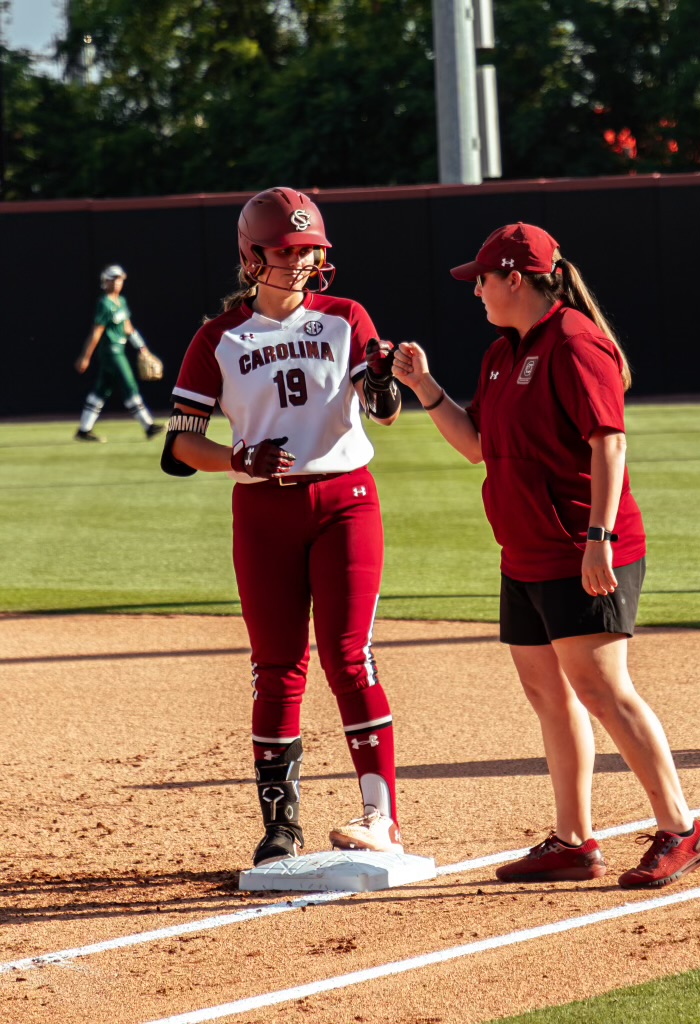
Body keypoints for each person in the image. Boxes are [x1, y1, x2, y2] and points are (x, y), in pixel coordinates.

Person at [392, 222, 700, 889]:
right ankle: (572, 840)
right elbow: (477, 445)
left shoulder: (573, 343)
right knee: (547, 692)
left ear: (515, 278)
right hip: (526, 551)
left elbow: (610, 444)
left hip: (583, 549)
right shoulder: (500, 354)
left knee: (601, 687)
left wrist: (598, 538)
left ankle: (682, 829)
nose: (474, 289)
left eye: (480, 278)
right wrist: (425, 388)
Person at [161, 186, 405, 866]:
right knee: (275, 668)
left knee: (348, 656)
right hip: (263, 509)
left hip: (345, 498)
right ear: (251, 255)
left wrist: (383, 378)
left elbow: (382, 409)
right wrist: (237, 458)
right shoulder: (220, 337)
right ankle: (280, 825)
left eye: (308, 250)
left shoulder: (345, 316)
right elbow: (179, 445)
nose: (299, 261)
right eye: (286, 250)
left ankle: (380, 815)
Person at [74, 264, 163, 442]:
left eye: (119, 279)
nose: (116, 283)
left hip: (119, 349)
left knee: (101, 391)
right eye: (112, 279)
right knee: (129, 384)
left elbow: (128, 327)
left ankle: (84, 430)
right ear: (104, 282)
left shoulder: (121, 302)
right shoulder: (105, 304)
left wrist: (142, 347)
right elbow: (96, 332)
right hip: (111, 351)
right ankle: (148, 425)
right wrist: (86, 356)